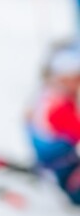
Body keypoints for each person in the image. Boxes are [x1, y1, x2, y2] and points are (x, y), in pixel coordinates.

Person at [27, 41, 80, 205]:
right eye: (77, 78)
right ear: (64, 78)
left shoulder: (50, 97)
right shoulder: (57, 106)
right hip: (67, 179)